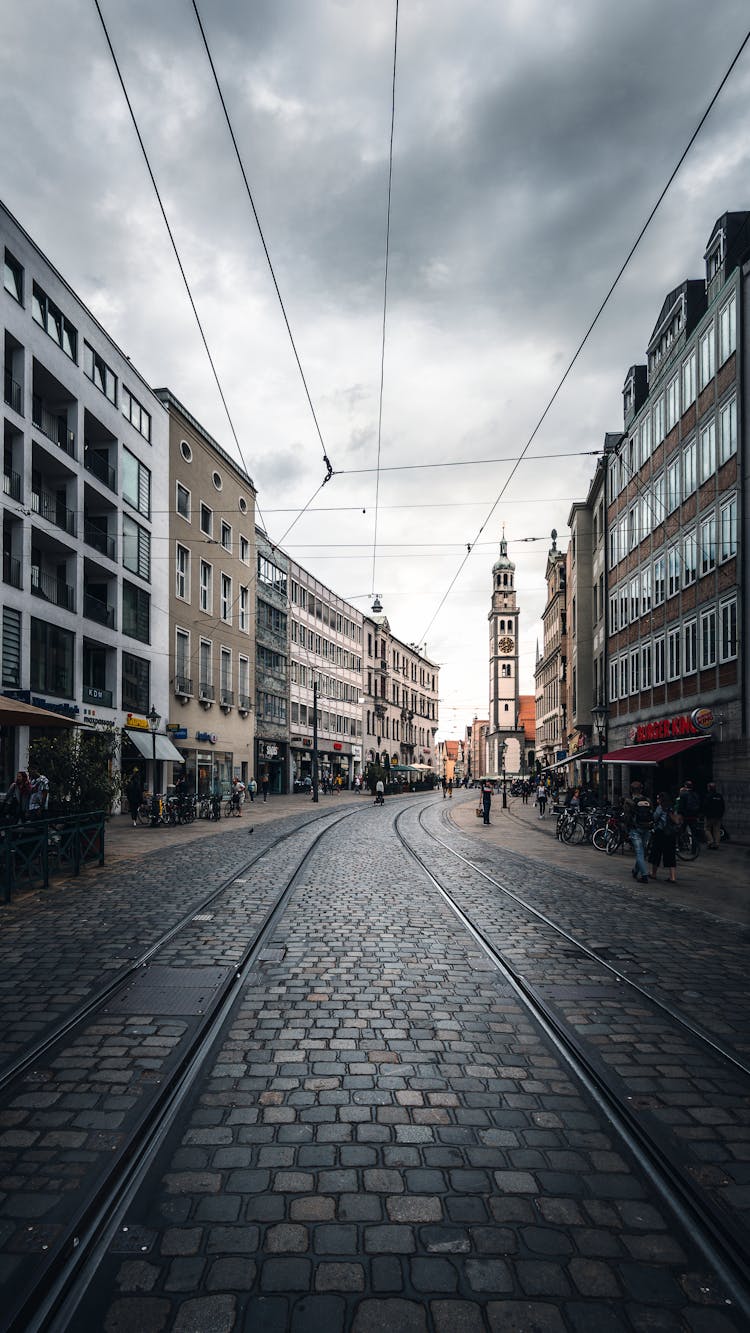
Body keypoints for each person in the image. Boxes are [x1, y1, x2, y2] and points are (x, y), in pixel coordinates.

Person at [622, 780, 652, 884]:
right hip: (646, 828)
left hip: (635, 829)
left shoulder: (629, 801)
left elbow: (626, 817)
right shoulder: (648, 800)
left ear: (631, 790)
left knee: (639, 852)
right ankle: (635, 870)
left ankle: (644, 875)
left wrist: (627, 829)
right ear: (641, 789)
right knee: (642, 851)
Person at [649, 791, 677, 883]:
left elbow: (655, 817)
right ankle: (672, 876)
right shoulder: (671, 807)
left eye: (658, 798)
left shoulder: (661, 807)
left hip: (661, 833)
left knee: (656, 853)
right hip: (671, 833)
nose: (657, 800)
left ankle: (654, 873)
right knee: (670, 854)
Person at [703, 782, 725, 851]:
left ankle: (711, 841)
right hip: (718, 816)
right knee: (717, 830)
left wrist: (705, 814)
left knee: (707, 829)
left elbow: (705, 806)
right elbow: (723, 806)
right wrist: (721, 814)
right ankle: (717, 844)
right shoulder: (719, 796)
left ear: (709, 788)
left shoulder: (708, 796)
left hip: (710, 816)